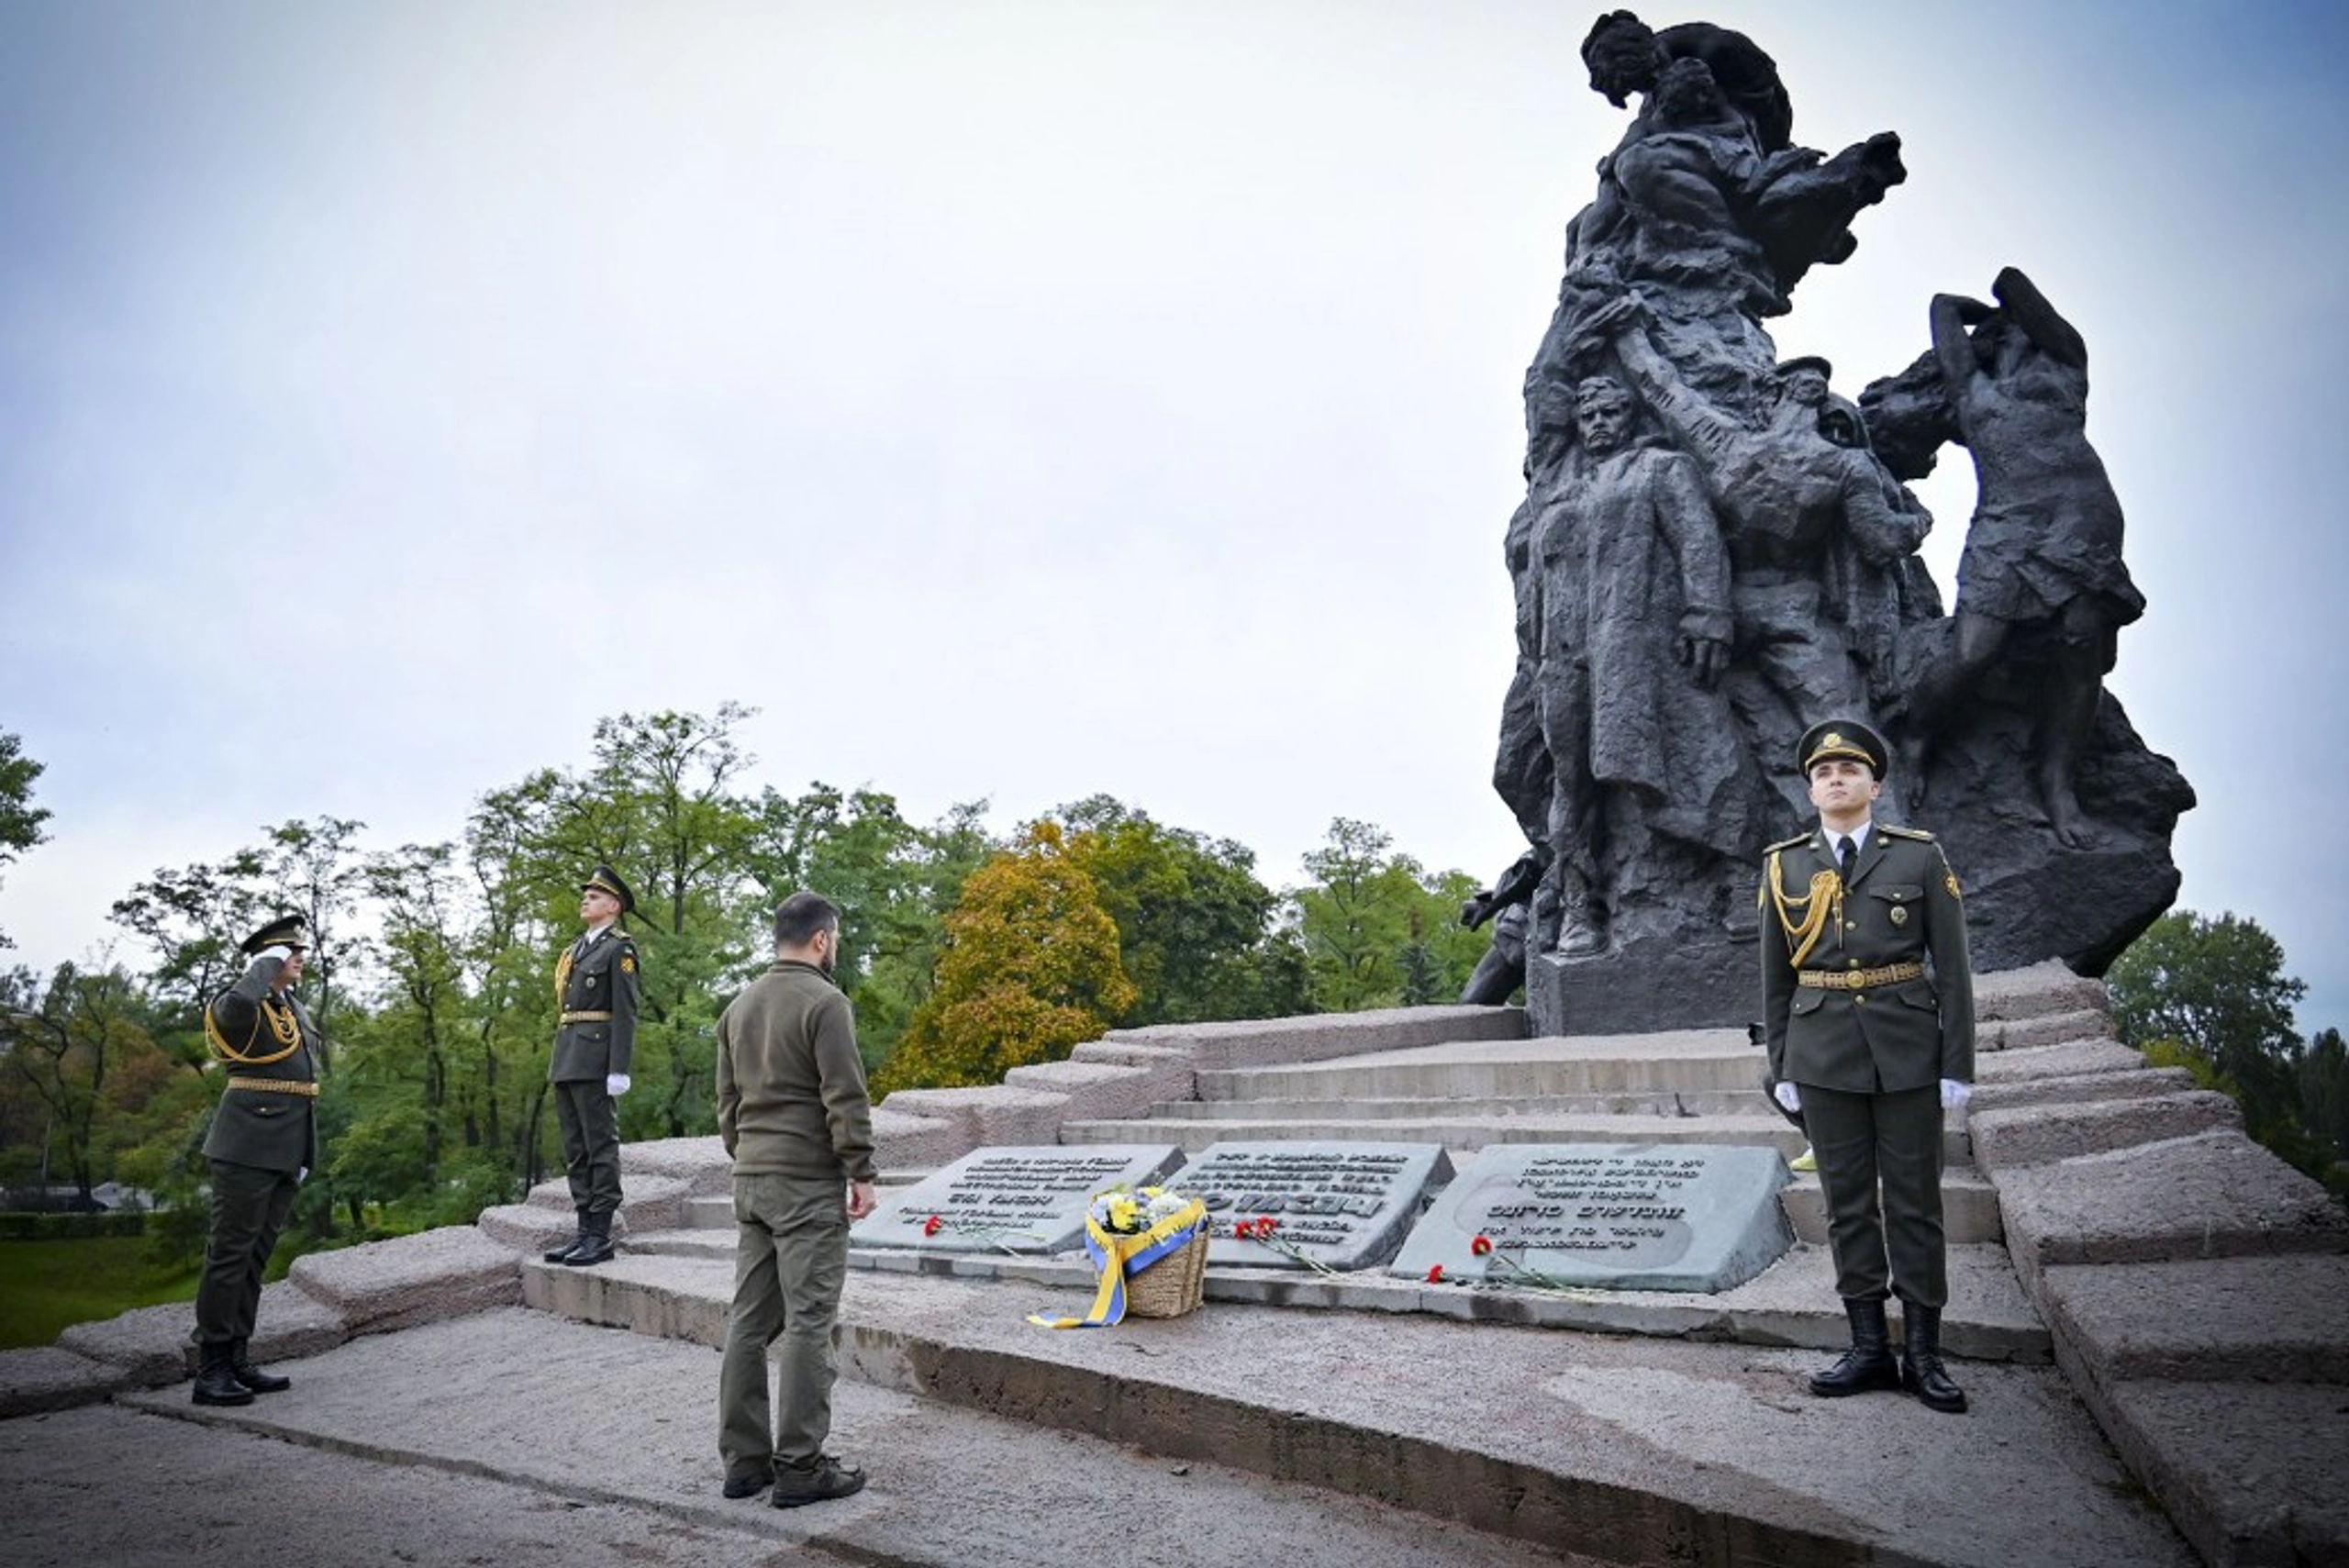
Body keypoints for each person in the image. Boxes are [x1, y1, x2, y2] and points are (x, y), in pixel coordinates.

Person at [1759, 719, 1974, 1414]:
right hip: (1823, 1053)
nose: (1836, 779)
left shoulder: (1917, 855)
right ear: (1811, 789)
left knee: (1915, 1203)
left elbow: (1956, 966)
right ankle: (1868, 1347)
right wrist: (1782, 1059)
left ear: (1874, 785)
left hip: (1908, 1048)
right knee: (1848, 1205)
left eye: (1849, 770)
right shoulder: (1784, 864)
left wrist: (1956, 1061)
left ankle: (1925, 1354)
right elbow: (1773, 974)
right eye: (1823, 772)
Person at [714, 892, 879, 1507]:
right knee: (810, 1322)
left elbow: (727, 1107)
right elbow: (845, 1096)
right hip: (806, 1186)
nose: (833, 945)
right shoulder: (826, 1001)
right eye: (833, 937)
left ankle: (745, 1463)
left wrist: (750, 1156)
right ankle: (801, 1465)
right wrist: (861, 1171)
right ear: (821, 938)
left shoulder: (739, 1006)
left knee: (748, 1323)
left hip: (752, 1179)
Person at [193, 913, 321, 1407]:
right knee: (228, 1256)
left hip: (286, 1144)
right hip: (246, 1145)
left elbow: (301, 1081)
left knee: (254, 1259)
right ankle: (211, 1369)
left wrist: (306, 1150)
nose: (300, 958)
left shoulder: (287, 1006)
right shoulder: (242, 1004)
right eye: (291, 953)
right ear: (268, 959)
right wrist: (262, 968)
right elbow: (234, 1008)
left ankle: (239, 1357)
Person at [543, 865, 640, 1267]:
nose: (586, 899)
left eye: (596, 896)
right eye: (586, 894)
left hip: (597, 1059)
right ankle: (584, 1230)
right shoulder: (577, 950)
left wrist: (619, 1068)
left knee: (600, 1147)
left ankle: (599, 1235)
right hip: (568, 1056)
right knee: (577, 1150)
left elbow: (626, 1012)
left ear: (614, 906)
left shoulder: (620, 949)